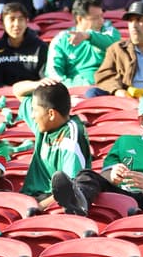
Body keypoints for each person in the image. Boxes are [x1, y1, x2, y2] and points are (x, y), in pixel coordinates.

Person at [53, 88, 143, 215]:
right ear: (142, 120)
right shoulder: (124, 141)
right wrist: (113, 175)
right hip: (125, 193)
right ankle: (78, 203)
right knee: (87, 175)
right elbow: (105, 175)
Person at [16, 82, 91, 211]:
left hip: (52, 201)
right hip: (29, 197)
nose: (32, 116)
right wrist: (37, 84)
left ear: (51, 114)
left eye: (35, 111)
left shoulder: (71, 137)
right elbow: (17, 92)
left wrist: (38, 207)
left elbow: (71, 189)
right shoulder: (43, 124)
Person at [45, 0, 117, 89]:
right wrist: (74, 87)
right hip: (73, 91)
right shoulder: (61, 40)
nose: (101, 21)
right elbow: (53, 74)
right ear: (79, 19)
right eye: (95, 18)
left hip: (108, 88)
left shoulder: (108, 32)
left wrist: (88, 35)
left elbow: (115, 44)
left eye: (102, 16)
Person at [0, 3, 49, 96]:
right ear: (3, 24)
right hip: (5, 97)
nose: (16, 24)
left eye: (20, 19)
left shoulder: (41, 47)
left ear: (26, 22)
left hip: (34, 96)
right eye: (12, 19)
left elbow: (44, 81)